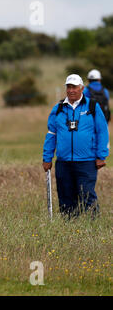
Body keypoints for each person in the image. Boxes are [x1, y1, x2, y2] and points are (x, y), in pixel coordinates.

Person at [42, 74, 109, 219]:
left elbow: (102, 132)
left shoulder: (92, 106)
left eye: (74, 87)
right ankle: (70, 226)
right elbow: (51, 134)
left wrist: (101, 156)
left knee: (86, 194)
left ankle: (93, 225)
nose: (71, 90)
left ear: (82, 88)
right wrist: (47, 157)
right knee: (65, 195)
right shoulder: (58, 108)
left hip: (87, 161)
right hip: (63, 162)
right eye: (68, 87)